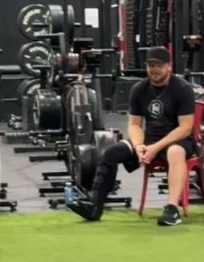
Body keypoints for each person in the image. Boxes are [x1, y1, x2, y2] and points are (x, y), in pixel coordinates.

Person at [67, 46, 195, 226]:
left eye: (158, 65)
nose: (154, 70)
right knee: (111, 153)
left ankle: (172, 209)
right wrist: (138, 146)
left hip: (177, 140)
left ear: (169, 66)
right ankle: (94, 206)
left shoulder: (182, 89)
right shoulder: (139, 89)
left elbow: (186, 128)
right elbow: (135, 124)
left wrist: (155, 148)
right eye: (151, 65)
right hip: (148, 140)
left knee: (175, 152)